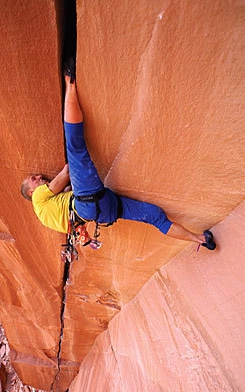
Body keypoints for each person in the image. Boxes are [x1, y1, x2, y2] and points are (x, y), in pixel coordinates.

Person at [21, 60, 216, 252]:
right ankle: (69, 81)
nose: (39, 177)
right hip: (89, 201)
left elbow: (70, 217)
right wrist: (70, 174)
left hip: (103, 212)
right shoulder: (38, 198)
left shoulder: (46, 217)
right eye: (33, 179)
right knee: (74, 145)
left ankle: (201, 239)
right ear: (31, 192)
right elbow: (66, 173)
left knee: (155, 216)